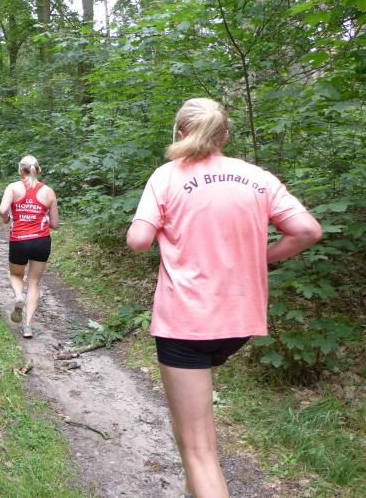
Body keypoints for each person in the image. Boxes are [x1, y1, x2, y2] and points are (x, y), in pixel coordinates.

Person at [126, 98, 322, 498]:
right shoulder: (257, 178)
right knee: (196, 431)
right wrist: (260, 256)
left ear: (181, 132)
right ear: (225, 135)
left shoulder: (166, 176)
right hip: (239, 322)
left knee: (198, 450)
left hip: (186, 323)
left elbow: (138, 241)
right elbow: (307, 231)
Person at [0, 155, 59, 338]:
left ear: (20, 170)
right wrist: (41, 218)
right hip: (41, 241)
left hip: (19, 241)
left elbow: (2, 210)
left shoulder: (13, 188)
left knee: (16, 275)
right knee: (33, 282)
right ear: (38, 170)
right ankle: (28, 326)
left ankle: (19, 297)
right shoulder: (48, 191)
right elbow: (55, 224)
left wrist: (7, 218)